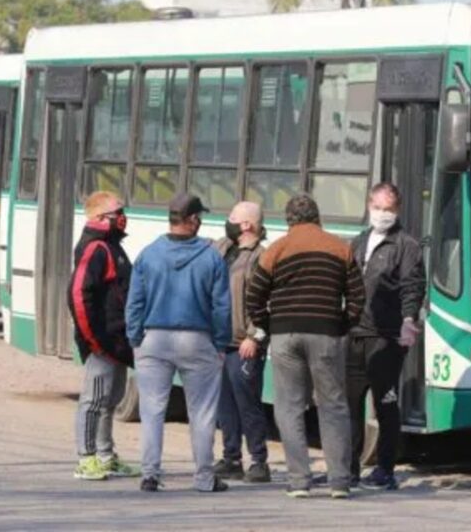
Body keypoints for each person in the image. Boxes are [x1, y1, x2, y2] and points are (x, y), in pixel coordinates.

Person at [246, 193, 365, 499]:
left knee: (289, 407)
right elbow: (357, 296)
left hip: (286, 336)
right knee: (334, 406)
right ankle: (340, 481)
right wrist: (342, 324)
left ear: (289, 220)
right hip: (327, 335)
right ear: (317, 217)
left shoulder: (276, 250)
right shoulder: (340, 248)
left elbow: (254, 295)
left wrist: (267, 324)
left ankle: (299, 481)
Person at [126, 193, 231, 493]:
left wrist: (136, 337)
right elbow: (221, 307)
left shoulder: (148, 254)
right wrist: (221, 344)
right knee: (202, 412)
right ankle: (204, 477)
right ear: (193, 220)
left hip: (153, 339)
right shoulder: (212, 258)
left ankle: (150, 475)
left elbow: (135, 303)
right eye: (199, 217)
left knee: (152, 409)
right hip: (197, 340)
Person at [347, 183, 425, 490]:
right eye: (378, 207)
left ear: (398, 210)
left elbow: (412, 286)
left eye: (389, 209)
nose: (382, 214)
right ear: (369, 205)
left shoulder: (407, 246)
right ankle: (348, 468)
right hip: (354, 334)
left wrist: (408, 320)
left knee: (385, 403)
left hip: (387, 336)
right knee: (350, 403)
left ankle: (385, 469)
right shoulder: (358, 242)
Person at [68, 191, 139, 480]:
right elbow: (78, 295)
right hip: (102, 341)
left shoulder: (112, 246)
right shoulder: (96, 248)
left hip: (117, 340)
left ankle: (106, 455)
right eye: (116, 213)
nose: (122, 217)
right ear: (99, 218)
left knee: (111, 400)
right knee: (94, 400)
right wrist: (95, 341)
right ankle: (86, 459)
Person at [212, 201, 271, 483]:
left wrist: (255, 335)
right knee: (225, 404)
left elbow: (267, 301)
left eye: (232, 217)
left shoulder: (262, 256)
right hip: (220, 341)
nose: (228, 221)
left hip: (244, 342)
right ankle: (231, 457)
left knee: (248, 402)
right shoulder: (223, 248)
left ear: (247, 224)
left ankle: (259, 461)